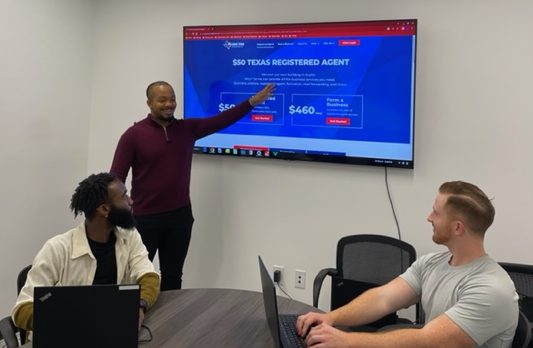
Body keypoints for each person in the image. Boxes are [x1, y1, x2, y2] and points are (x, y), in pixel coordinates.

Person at [296, 181, 518, 348]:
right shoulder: (433, 263)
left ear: (458, 228)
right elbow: (383, 299)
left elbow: (428, 340)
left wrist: (348, 341)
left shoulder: (491, 290)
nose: (429, 217)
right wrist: (331, 318)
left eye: (436, 213)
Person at [110, 81, 275, 290]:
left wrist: (252, 102)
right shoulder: (133, 135)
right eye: (162, 100)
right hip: (144, 219)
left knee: (173, 276)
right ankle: (133, 319)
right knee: (136, 277)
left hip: (180, 217)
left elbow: (222, 120)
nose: (169, 104)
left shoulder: (187, 129)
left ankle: (170, 322)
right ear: (149, 103)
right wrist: (120, 207)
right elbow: (115, 177)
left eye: (172, 99)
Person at [12, 172, 160, 333]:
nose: (131, 201)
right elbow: (22, 309)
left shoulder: (129, 237)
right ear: (104, 209)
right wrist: (68, 322)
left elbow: (149, 276)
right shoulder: (58, 248)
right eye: (124, 196)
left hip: (109, 331)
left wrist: (139, 306)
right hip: (64, 336)